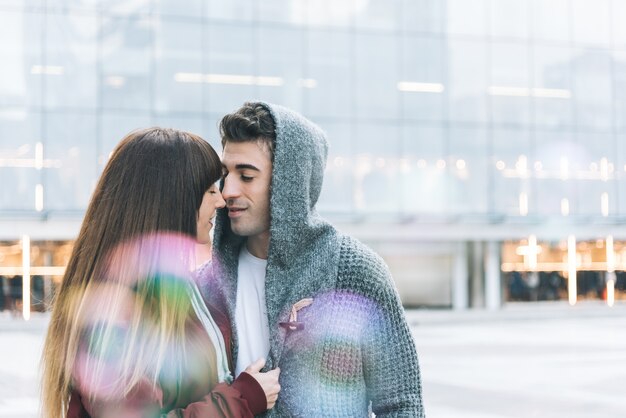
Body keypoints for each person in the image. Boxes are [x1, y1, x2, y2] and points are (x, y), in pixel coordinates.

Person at [200, 102, 424, 417]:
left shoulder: (354, 270)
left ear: (288, 185)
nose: (229, 190)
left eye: (247, 176)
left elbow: (402, 402)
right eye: (225, 175)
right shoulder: (203, 285)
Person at [41, 128, 280, 418]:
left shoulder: (183, 288)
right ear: (172, 200)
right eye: (209, 190)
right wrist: (243, 397)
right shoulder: (113, 314)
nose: (220, 201)